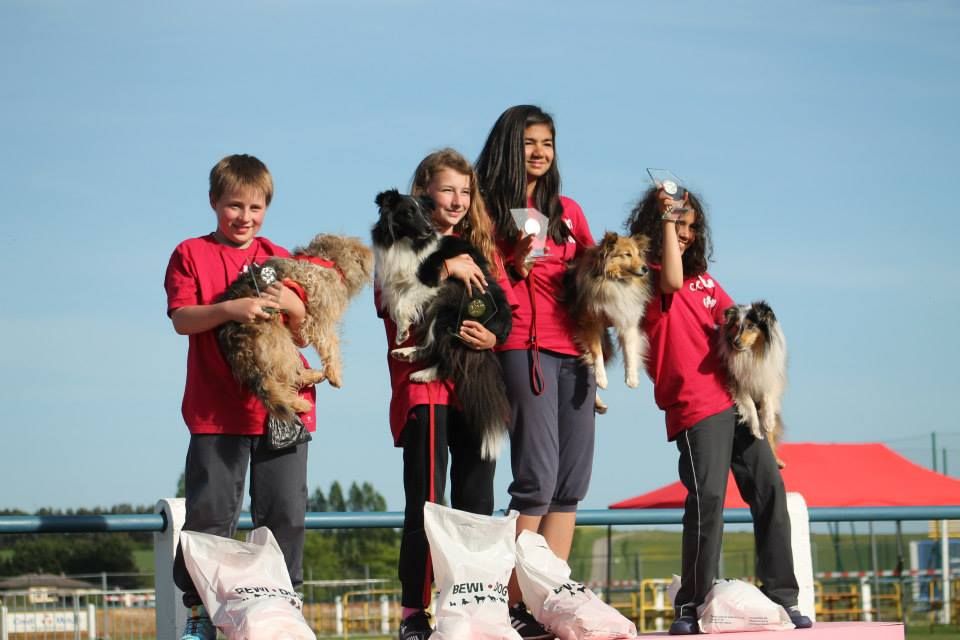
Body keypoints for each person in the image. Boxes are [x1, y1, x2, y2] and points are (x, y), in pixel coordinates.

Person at [626, 186, 813, 635]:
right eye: (677, 225)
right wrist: (667, 218)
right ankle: (691, 604)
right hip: (695, 406)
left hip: (736, 401)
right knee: (709, 500)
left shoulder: (707, 281)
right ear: (657, 226)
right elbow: (671, 279)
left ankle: (782, 598)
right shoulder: (645, 278)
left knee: (770, 490)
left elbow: (739, 325)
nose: (686, 234)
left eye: (692, 227)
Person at [164, 154, 314, 640]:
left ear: (267, 207)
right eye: (233, 205)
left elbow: (306, 332)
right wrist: (231, 308)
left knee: (286, 513)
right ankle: (200, 614)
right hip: (216, 412)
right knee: (210, 517)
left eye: (255, 206)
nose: (244, 217)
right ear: (214, 203)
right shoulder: (190, 253)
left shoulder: (280, 257)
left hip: (282, 410)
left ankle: (283, 606)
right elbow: (182, 318)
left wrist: (291, 304)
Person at [376, 148, 517, 640]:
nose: (456, 200)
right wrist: (444, 269)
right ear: (424, 191)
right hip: (425, 390)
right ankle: (415, 611)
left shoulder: (476, 246)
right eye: (446, 190)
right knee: (428, 504)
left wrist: (494, 336)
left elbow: (502, 309)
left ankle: (472, 606)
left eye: (465, 191)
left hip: (475, 385)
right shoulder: (398, 236)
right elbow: (392, 300)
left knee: (477, 500)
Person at [475, 105, 596, 640]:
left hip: (578, 354)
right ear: (509, 146)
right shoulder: (490, 211)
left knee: (570, 486)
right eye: (529, 142)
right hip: (525, 348)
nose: (540, 152)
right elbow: (481, 276)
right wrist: (515, 264)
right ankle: (507, 603)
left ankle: (551, 599)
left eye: (547, 142)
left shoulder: (569, 210)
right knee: (537, 481)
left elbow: (595, 273)